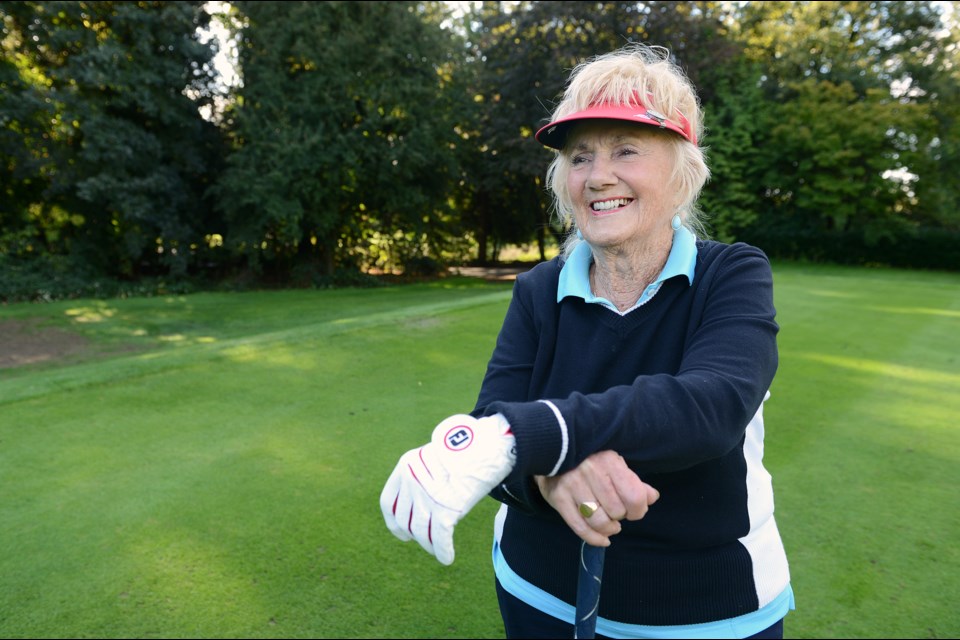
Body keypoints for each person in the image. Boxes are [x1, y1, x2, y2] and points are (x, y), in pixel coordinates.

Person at [379, 43, 793, 639]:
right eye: (579, 157)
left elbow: (712, 406)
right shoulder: (538, 288)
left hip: (706, 610)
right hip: (536, 588)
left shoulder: (732, 274)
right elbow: (495, 420)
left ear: (682, 174)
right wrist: (549, 471)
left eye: (626, 150)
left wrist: (526, 437)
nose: (599, 175)